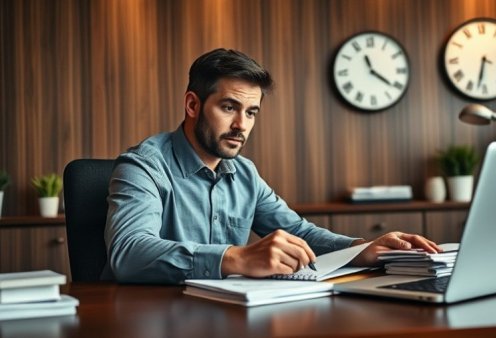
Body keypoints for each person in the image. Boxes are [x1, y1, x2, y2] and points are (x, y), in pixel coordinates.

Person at [103, 48, 441, 284]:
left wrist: (362, 248)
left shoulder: (244, 174)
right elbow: (129, 253)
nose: (241, 125)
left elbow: (301, 234)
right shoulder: (144, 165)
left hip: (226, 314)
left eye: (251, 112)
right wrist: (237, 258)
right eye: (229, 107)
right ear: (193, 104)